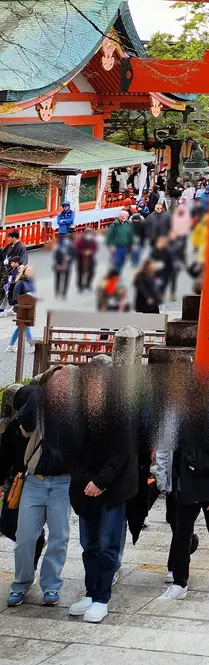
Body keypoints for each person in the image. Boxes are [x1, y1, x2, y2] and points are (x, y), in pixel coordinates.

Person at [64, 359, 138, 624]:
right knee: (89, 544)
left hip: (112, 488)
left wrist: (101, 483)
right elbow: (69, 452)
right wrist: (87, 482)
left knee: (107, 543)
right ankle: (90, 590)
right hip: (85, 487)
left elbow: (122, 453)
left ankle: (101, 597)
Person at [159, 385, 209, 601]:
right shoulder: (182, 418)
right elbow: (176, 453)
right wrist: (173, 484)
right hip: (188, 483)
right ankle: (180, 582)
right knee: (182, 533)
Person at [7, 365, 72, 608]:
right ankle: (21, 583)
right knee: (25, 537)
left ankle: (51, 585)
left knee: (59, 537)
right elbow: (23, 421)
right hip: (34, 481)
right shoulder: (36, 405)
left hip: (63, 483)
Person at [7, 266, 36, 350]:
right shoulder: (20, 283)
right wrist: (27, 296)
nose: (31, 272)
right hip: (21, 307)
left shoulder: (34, 282)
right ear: (24, 272)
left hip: (31, 308)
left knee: (21, 327)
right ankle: (32, 346)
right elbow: (15, 298)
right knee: (26, 325)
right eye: (28, 270)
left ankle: (10, 346)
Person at [75, 229, 98, 293]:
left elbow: (95, 248)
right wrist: (83, 252)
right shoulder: (80, 240)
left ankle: (88, 284)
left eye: (90, 234)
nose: (88, 235)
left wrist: (90, 252)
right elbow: (76, 249)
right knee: (80, 273)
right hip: (81, 260)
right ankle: (80, 286)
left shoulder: (93, 241)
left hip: (90, 259)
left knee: (91, 272)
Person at [52, 234, 74, 300]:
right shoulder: (58, 248)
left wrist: (69, 258)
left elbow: (73, 255)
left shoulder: (70, 247)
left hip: (67, 265)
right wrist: (58, 264)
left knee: (66, 280)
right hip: (58, 265)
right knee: (58, 279)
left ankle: (64, 293)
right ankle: (57, 292)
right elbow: (55, 257)